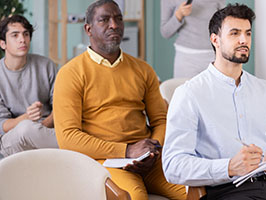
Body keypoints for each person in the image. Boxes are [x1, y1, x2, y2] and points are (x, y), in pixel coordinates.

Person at [162, 4, 266, 200]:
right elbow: (173, 166)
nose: (244, 40)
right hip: (227, 192)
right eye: (234, 33)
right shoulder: (189, 94)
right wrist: (228, 167)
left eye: (248, 33)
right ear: (215, 39)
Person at [53, 1, 186, 199]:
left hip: (148, 159)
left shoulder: (143, 69)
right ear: (88, 29)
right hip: (105, 160)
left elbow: (161, 119)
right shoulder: (70, 74)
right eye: (104, 20)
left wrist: (152, 150)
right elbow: (68, 138)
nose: (114, 25)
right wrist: (127, 151)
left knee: (195, 192)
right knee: (134, 197)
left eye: (118, 18)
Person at [0, 15, 58, 157]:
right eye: (15, 35)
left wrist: (42, 126)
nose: (22, 39)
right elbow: (3, 126)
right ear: (3, 44)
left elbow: (61, 106)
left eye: (26, 34)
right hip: (12, 141)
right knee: (26, 129)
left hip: (47, 131)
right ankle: (80, 148)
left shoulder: (46, 65)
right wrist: (27, 117)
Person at [160, 0, 225, 78]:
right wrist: (179, 15)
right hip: (186, 59)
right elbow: (165, 33)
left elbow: (224, 25)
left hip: (214, 57)